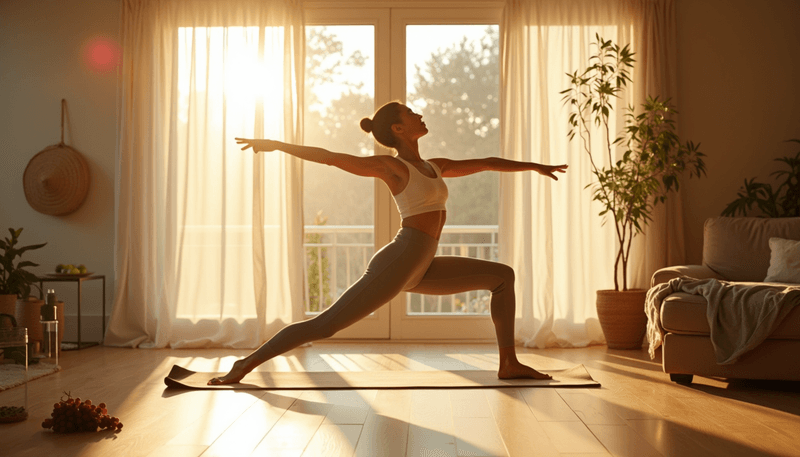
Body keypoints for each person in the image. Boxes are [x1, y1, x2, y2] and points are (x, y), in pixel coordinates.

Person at [208, 101, 567, 385]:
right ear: (398, 129)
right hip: (401, 258)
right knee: (326, 325)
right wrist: (275, 145)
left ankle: (509, 363)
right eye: (411, 113)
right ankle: (245, 364)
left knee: (502, 276)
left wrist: (535, 166)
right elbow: (332, 158)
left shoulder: (434, 166)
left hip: (421, 263)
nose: (420, 114)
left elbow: (486, 163)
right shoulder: (390, 167)